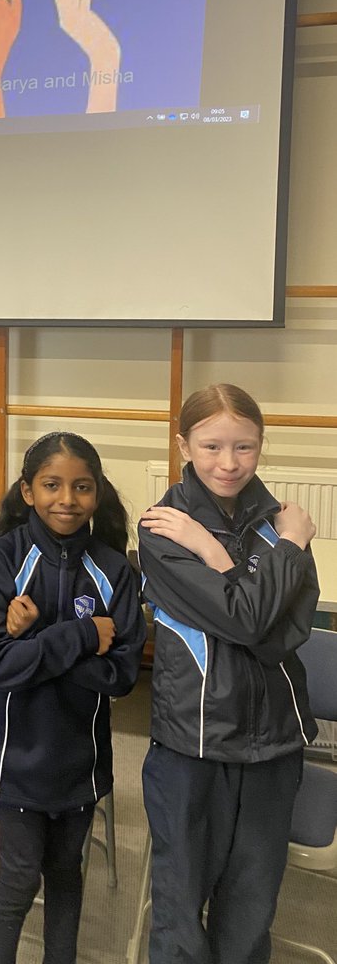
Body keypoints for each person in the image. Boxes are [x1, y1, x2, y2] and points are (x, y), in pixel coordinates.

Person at [139, 383, 319, 964]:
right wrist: (283, 549)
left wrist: (221, 561)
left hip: (275, 743)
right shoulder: (163, 528)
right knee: (180, 909)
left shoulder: (280, 521)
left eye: (244, 447)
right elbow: (247, 622)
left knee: (250, 909)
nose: (229, 462)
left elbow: (282, 635)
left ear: (261, 446)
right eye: (212, 446)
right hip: (194, 743)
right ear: (183, 445)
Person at [0, 431, 146, 964]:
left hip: (80, 762)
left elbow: (122, 676)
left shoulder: (114, 569)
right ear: (28, 492)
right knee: (19, 879)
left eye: (82, 487)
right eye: (51, 485)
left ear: (97, 493)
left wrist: (31, 648)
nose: (67, 499)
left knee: (67, 875)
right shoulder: (2, 560)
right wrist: (81, 637)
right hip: (15, 760)